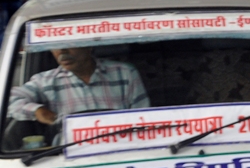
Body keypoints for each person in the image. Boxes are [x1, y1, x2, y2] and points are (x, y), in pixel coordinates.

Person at [9, 47, 150, 132]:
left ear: (88, 46)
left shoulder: (124, 73)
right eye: (55, 46)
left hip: (122, 149)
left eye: (68, 44)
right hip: (64, 155)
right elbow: (8, 100)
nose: (62, 52)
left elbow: (144, 118)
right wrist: (37, 110)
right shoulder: (45, 81)